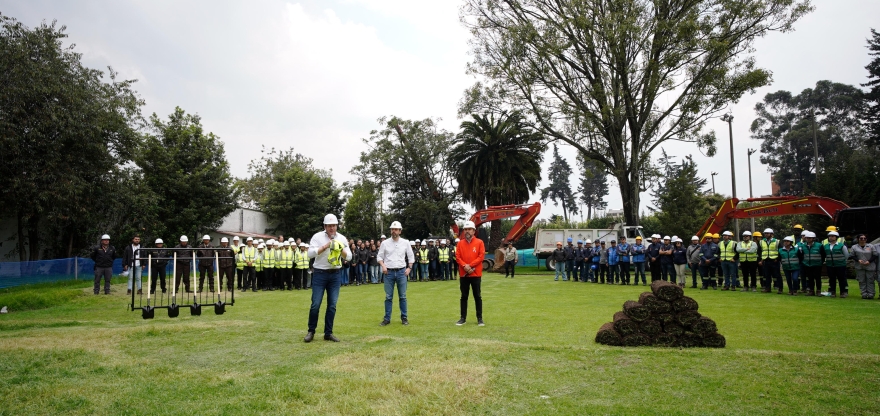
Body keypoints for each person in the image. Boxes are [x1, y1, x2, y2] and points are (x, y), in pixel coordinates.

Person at [304, 213, 352, 343]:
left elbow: (349, 257)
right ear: (324, 226)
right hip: (320, 273)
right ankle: (311, 331)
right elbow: (309, 253)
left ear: (337, 226)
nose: (332, 228)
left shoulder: (342, 238)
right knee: (316, 304)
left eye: (334, 226)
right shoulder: (317, 237)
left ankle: (328, 333)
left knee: (332, 305)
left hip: (335, 274)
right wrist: (325, 246)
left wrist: (340, 248)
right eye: (329, 226)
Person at [377, 221, 415, 326]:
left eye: (396, 229)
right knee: (388, 296)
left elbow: (411, 257)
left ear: (400, 231)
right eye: (392, 229)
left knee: (402, 296)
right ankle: (387, 319)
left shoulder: (406, 242)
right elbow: (379, 257)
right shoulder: (385, 243)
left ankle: (404, 317)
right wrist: (383, 265)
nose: (393, 231)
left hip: (401, 272)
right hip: (388, 272)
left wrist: (409, 268)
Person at [455, 221, 485, 326]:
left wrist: (470, 266)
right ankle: (463, 318)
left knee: (477, 296)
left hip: (475, 274)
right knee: (464, 296)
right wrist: (465, 266)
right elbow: (457, 257)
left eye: (469, 229)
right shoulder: (460, 243)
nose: (467, 231)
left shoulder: (480, 242)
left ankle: (480, 318)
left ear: (473, 231)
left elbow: (481, 257)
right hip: (464, 274)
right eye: (466, 229)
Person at [850, 234, 878, 299]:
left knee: (870, 280)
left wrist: (869, 261)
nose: (863, 240)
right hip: (859, 266)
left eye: (864, 238)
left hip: (870, 266)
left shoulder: (871, 246)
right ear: (858, 239)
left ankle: (871, 294)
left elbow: (875, 255)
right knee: (861, 280)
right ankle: (864, 293)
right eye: (861, 238)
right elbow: (852, 255)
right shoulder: (854, 247)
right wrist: (858, 260)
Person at [799, 231, 825, 296]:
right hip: (807, 264)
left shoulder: (819, 245)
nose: (808, 239)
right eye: (807, 238)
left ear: (813, 238)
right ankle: (811, 291)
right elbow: (801, 255)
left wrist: (821, 262)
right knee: (810, 278)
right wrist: (803, 262)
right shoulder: (803, 245)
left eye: (810, 238)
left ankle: (818, 291)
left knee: (818, 278)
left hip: (817, 265)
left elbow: (823, 255)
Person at [824, 231, 849, 298]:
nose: (831, 237)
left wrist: (842, 261)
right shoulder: (826, 246)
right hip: (830, 265)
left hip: (840, 265)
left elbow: (846, 255)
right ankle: (832, 292)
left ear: (836, 237)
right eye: (830, 236)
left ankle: (843, 292)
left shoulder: (841, 246)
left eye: (832, 236)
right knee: (832, 279)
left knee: (841, 279)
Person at [758, 229, 783, 294]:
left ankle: (780, 288)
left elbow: (781, 251)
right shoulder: (761, 241)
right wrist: (761, 259)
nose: (766, 234)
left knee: (777, 275)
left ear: (771, 234)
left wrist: (777, 259)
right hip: (766, 260)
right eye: (765, 233)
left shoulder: (777, 241)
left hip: (775, 261)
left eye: (767, 233)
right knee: (767, 275)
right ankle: (767, 288)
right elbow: (759, 251)